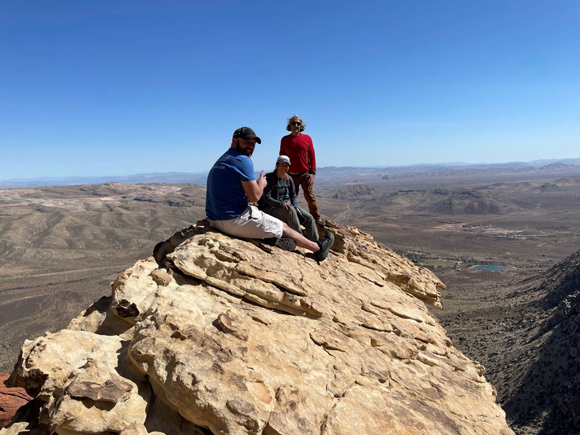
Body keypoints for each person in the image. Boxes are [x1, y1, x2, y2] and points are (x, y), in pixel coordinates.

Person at [205, 126, 334, 261]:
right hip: (230, 220)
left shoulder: (224, 158)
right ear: (234, 140)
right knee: (283, 227)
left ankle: (274, 241)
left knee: (256, 210)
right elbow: (255, 196)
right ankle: (318, 249)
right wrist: (261, 183)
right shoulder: (243, 160)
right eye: (246, 142)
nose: (250, 146)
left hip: (214, 219)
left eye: (253, 143)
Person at [260, 155, 319, 242]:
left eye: (286, 165)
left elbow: (293, 195)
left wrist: (296, 206)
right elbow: (267, 198)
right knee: (290, 211)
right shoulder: (269, 178)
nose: (284, 167)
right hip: (271, 208)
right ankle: (300, 240)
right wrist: (281, 204)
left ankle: (316, 243)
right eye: (282, 165)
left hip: (286, 207)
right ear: (277, 165)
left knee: (309, 218)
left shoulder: (288, 178)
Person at [279, 115, 325, 226]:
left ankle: (316, 219)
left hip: (305, 174)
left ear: (301, 126)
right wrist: (282, 173)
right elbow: (282, 156)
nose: (296, 125)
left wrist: (312, 173)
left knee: (310, 197)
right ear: (289, 125)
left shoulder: (307, 138)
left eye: (298, 123)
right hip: (290, 175)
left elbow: (312, 156)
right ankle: (293, 219)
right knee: (290, 198)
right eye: (293, 123)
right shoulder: (285, 140)